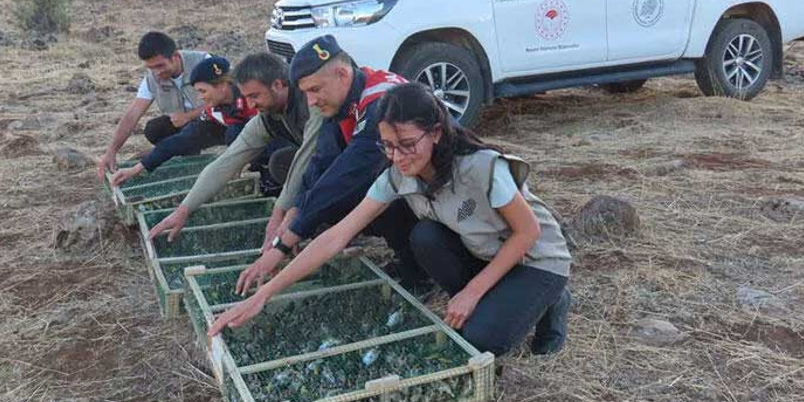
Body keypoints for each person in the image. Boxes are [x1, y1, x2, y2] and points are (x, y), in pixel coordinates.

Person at [208, 83, 573, 356]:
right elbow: (336, 236)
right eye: (387, 145)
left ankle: (552, 298)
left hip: (535, 258)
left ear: (435, 132)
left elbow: (528, 232)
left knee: (478, 342)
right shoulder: (398, 174)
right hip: (487, 252)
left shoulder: (479, 166)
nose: (397, 156)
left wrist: (471, 292)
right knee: (425, 237)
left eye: (407, 144)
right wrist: (264, 295)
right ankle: (496, 296)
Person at [231, 34, 428, 296]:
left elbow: (344, 178)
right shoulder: (347, 98)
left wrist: (284, 243)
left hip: (446, 197)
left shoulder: (380, 103)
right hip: (413, 186)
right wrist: (293, 212)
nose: (310, 101)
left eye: (315, 90)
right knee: (328, 204)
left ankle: (420, 270)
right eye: (305, 93)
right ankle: (409, 259)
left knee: (369, 198)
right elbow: (321, 162)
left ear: (342, 74)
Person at [147, 52, 321, 246]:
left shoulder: (311, 102)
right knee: (282, 163)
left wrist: (279, 213)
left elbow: (308, 157)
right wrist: (183, 211)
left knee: (296, 167)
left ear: (278, 85)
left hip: (348, 164)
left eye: (255, 96)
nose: (251, 104)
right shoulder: (267, 117)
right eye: (246, 97)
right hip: (321, 162)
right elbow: (226, 162)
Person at [109, 56, 257, 186]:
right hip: (241, 137)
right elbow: (182, 139)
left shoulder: (253, 99)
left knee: (236, 133)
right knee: (191, 133)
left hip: (268, 142)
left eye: (203, 91)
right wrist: (138, 168)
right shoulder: (215, 109)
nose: (200, 98)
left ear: (223, 87)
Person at [96, 31, 210, 181]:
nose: (157, 72)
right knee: (154, 129)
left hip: (213, 122)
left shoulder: (205, 63)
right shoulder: (152, 79)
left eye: (160, 65)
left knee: (191, 131)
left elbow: (227, 100)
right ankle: (182, 156)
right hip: (183, 125)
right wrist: (111, 151)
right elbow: (133, 115)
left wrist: (188, 116)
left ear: (175, 56)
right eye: (151, 68)